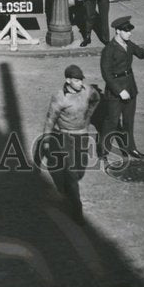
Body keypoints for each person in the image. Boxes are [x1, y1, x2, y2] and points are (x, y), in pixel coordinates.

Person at [41, 64, 101, 224]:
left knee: (80, 171)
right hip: (65, 136)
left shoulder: (88, 90)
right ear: (68, 80)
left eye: (81, 80)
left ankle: (69, 184)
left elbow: (96, 99)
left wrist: (87, 118)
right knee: (72, 172)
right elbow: (50, 120)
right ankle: (77, 209)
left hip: (82, 135)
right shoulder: (59, 97)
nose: (80, 83)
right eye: (76, 80)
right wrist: (46, 142)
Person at [100, 17, 144, 160]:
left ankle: (132, 148)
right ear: (117, 31)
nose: (129, 33)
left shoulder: (128, 44)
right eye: (126, 31)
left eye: (130, 31)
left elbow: (138, 50)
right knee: (112, 121)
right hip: (115, 91)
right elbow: (106, 74)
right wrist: (119, 91)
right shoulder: (109, 49)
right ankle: (103, 150)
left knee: (129, 121)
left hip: (130, 87)